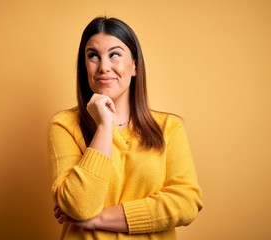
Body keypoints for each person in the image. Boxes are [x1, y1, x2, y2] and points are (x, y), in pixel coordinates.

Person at [47, 16, 203, 240]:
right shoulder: (64, 125)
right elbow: (79, 205)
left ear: (135, 66)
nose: (103, 67)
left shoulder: (169, 127)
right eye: (93, 56)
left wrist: (95, 219)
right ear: (84, 67)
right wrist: (104, 125)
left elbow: (186, 204)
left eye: (115, 54)